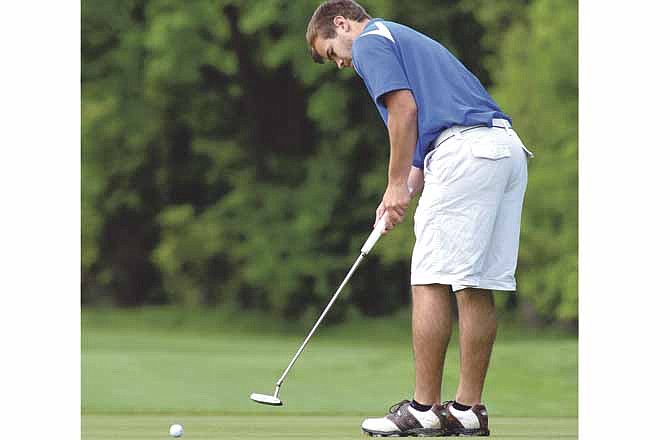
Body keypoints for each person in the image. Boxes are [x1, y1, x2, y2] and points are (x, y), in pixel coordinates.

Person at [306, 0, 533, 437]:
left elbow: (404, 112)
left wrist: (392, 183)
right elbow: (427, 137)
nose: (340, 64)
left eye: (333, 52)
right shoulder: (402, 38)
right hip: (502, 151)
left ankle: (424, 409)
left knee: (430, 278)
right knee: (474, 283)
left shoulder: (370, 41)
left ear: (342, 23)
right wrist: (403, 191)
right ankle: (468, 410)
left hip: (463, 153)